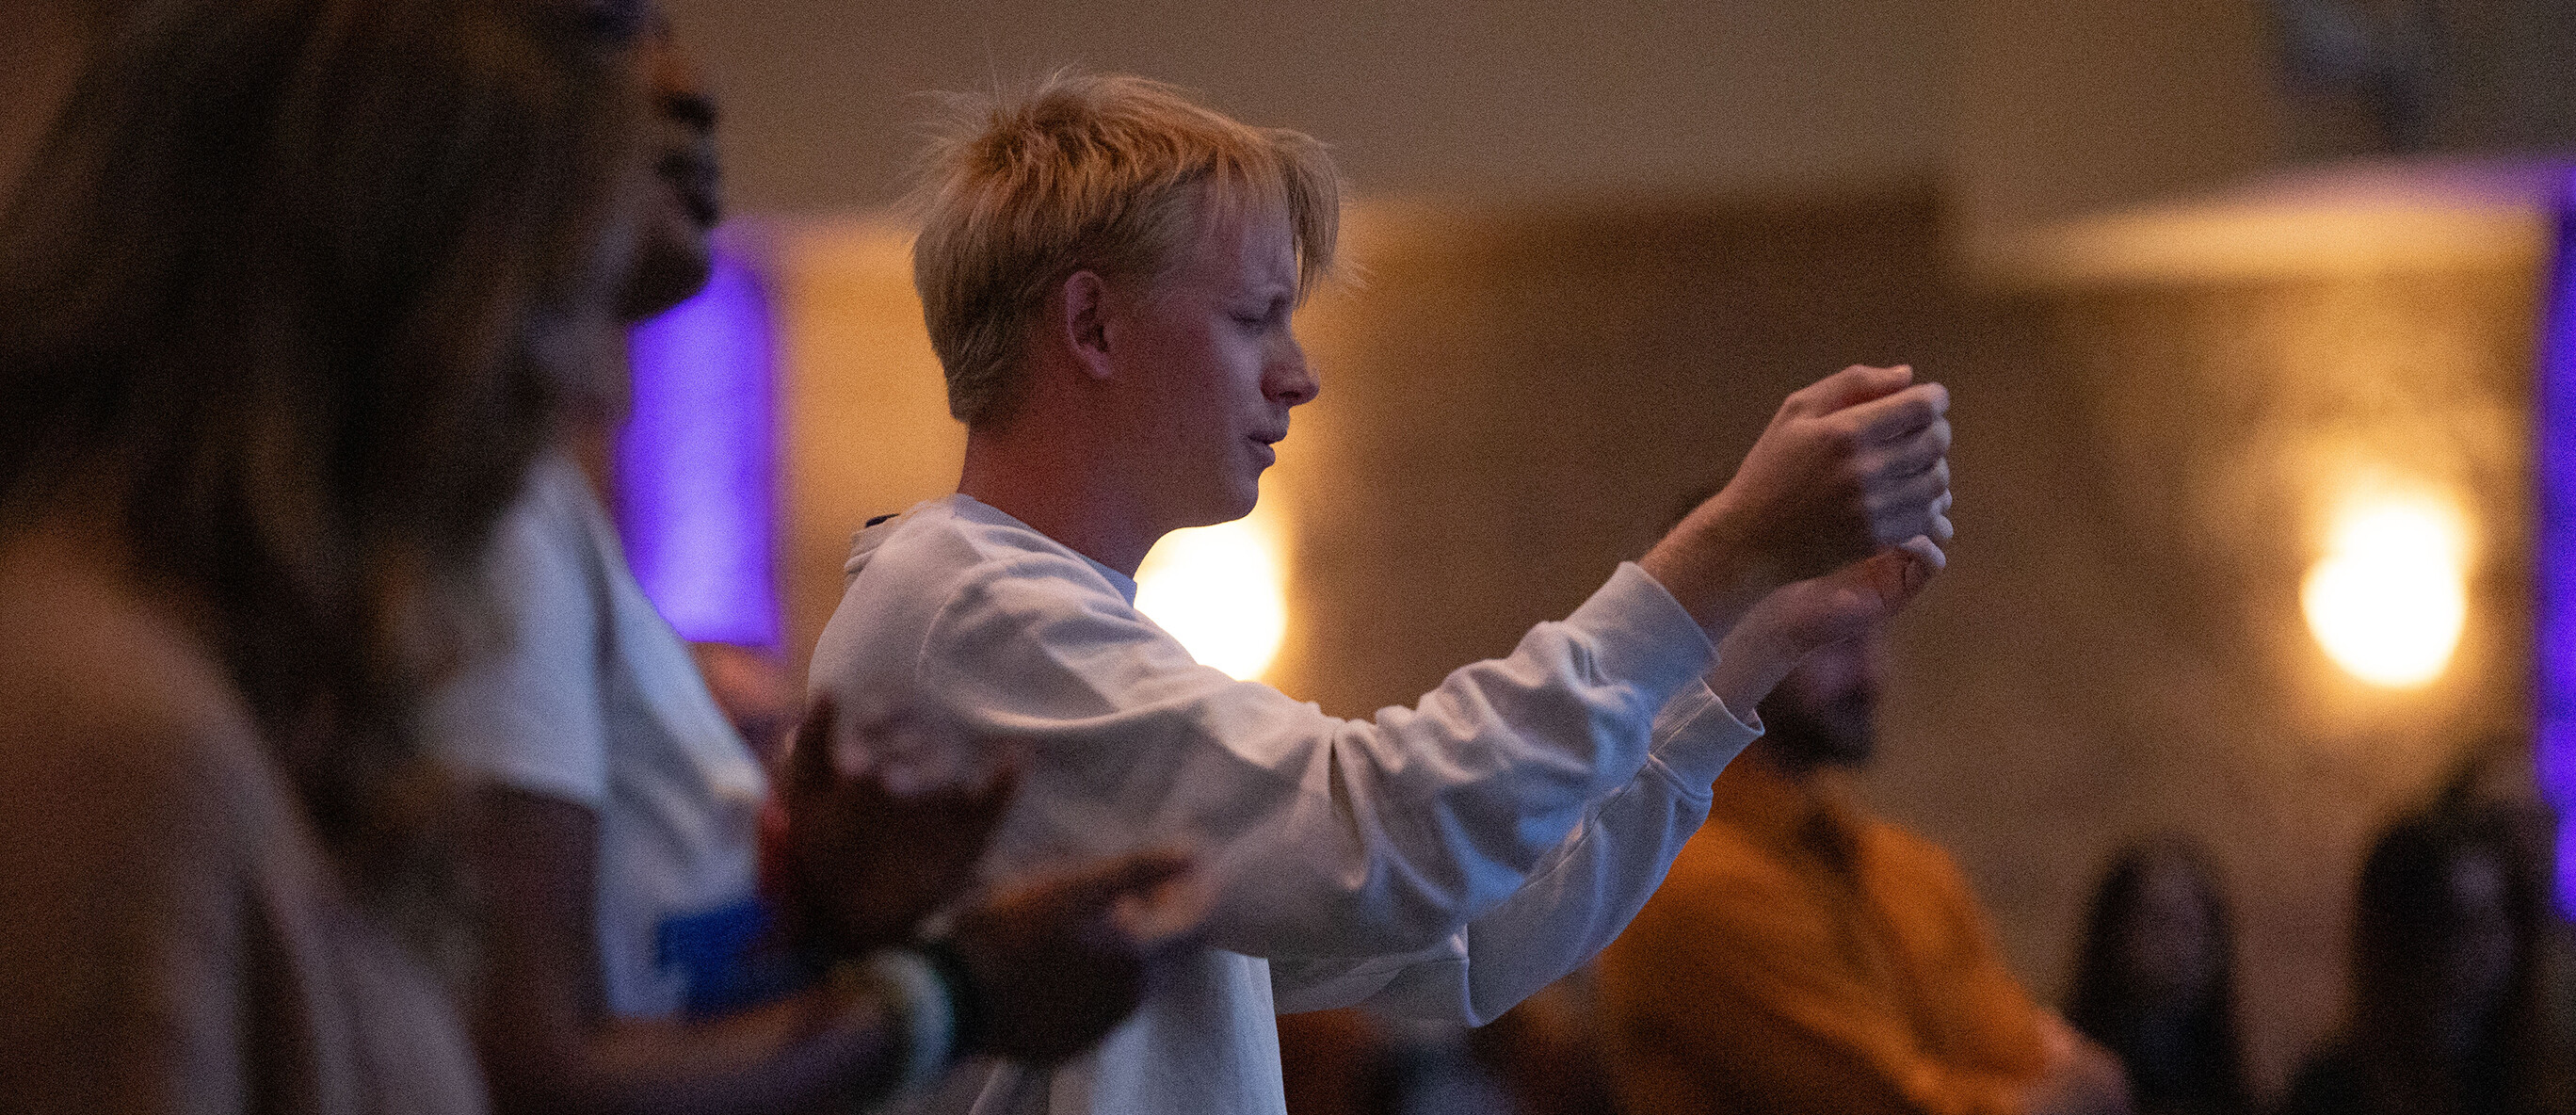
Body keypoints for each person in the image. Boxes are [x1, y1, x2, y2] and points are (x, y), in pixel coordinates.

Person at [809, 71, 1957, 1115]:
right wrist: (1721, 549)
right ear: (1093, 325)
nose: (1297, 373)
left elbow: (1467, 940)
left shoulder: (1029, 615)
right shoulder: (963, 606)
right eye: (1253, 315)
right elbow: (1378, 835)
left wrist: (1749, 645)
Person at [428, 17, 1200, 1115]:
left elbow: (640, 977)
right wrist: (954, 993)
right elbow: (527, 1074)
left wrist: (815, 909)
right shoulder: (490, 519)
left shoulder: (538, 513)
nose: (689, 86)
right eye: (615, 30)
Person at [0, 0, 651, 1107]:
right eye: (557, 304)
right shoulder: (123, 743)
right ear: (387, 299)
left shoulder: (221, 693)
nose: (602, 385)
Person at [1594, 633, 2132, 1115]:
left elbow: (2025, 1054)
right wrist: (2064, 1098)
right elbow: (1900, 1104)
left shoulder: (1903, 865)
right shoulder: (1687, 883)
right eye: (1839, 640)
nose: (1873, 675)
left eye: (1874, 636)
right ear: (1729, 638)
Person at [2280, 807, 2569, 1115]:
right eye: (2460, 925)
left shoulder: (2525, 1073)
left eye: (2496, 918)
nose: (2487, 946)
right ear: (2402, 942)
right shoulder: (2333, 1092)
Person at [2064, 839, 2252, 1115]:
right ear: (2116, 935)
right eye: (2160, 920)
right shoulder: (2072, 1068)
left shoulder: (2220, 1069)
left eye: (2191, 924)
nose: (2178, 943)